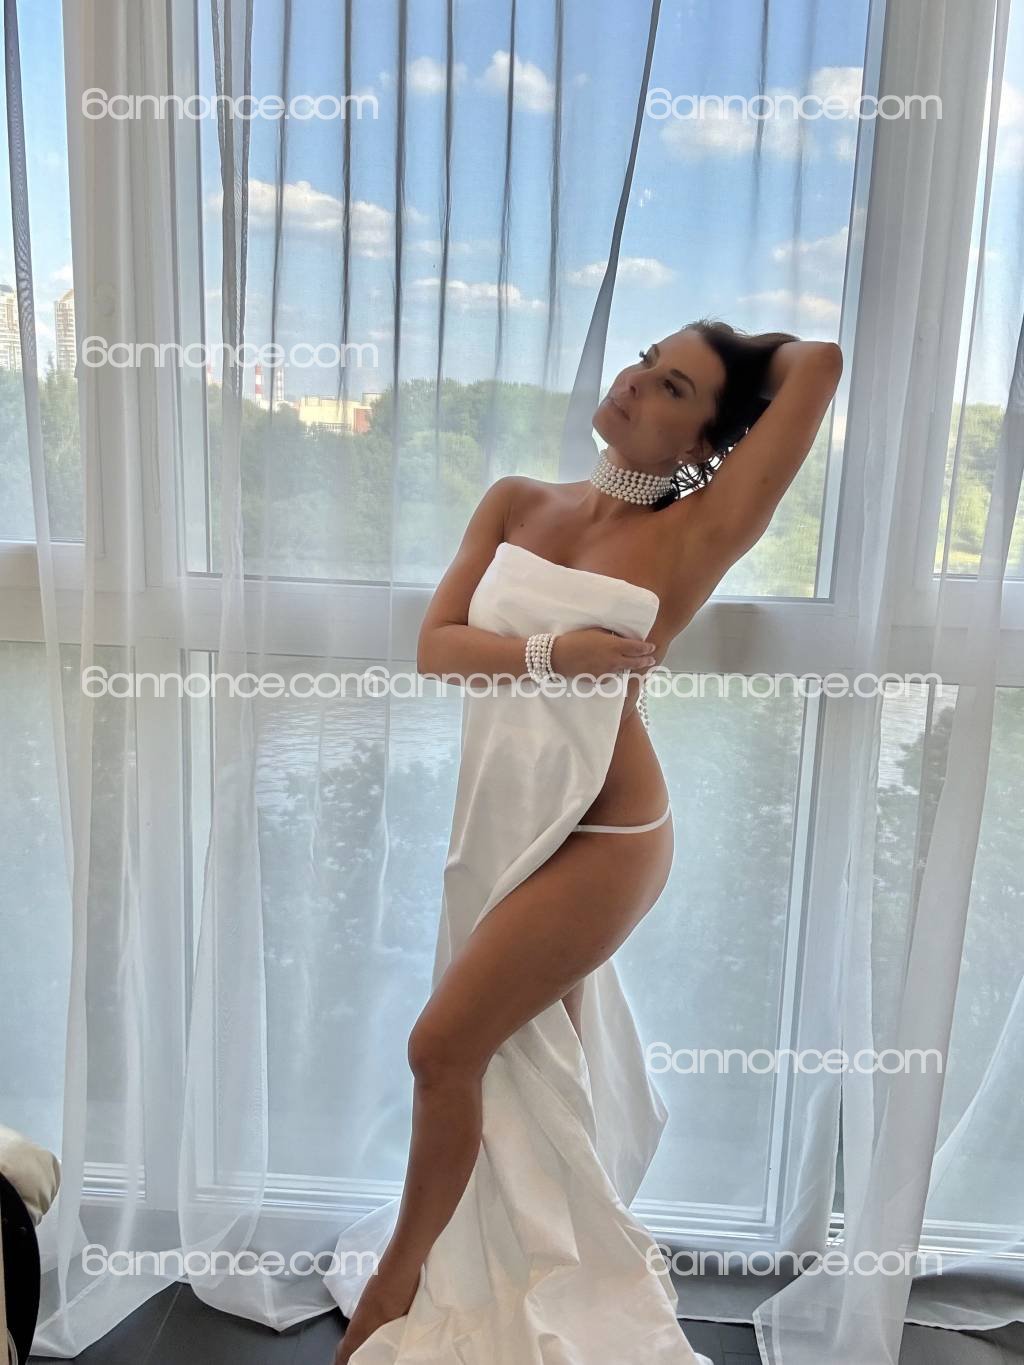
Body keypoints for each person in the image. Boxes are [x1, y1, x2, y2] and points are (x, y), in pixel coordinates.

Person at [333, 320, 843, 1364]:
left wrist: (737, 355)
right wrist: (551, 654)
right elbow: (437, 649)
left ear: (705, 441)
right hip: (509, 819)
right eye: (644, 361)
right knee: (527, 1068)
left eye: (672, 388)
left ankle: (394, 1286)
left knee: (442, 1049)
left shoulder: (701, 529)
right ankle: (533, 1262)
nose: (634, 385)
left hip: (607, 836)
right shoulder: (517, 501)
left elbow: (819, 364)